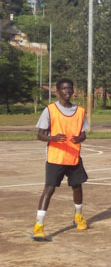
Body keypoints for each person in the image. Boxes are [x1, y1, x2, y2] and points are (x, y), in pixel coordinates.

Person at [32, 78, 90, 241]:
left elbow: (83, 134)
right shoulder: (50, 110)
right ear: (58, 91)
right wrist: (53, 138)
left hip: (73, 157)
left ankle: (78, 217)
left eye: (70, 88)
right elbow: (40, 134)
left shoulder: (80, 111)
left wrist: (79, 139)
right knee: (49, 189)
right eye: (64, 88)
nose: (67, 91)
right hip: (56, 157)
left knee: (77, 187)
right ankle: (39, 226)